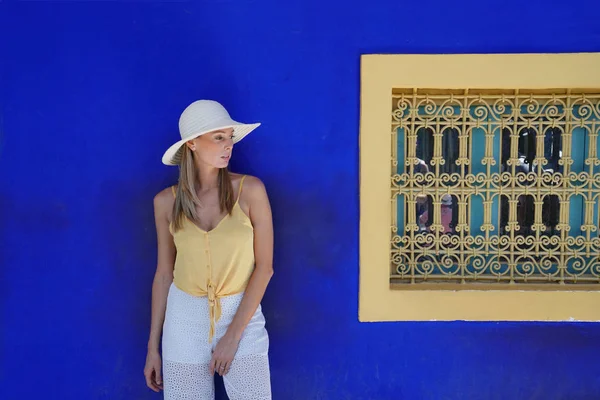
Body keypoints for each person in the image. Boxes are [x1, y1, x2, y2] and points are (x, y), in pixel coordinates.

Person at [144, 100, 274, 399]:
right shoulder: (166, 202)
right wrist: (153, 347)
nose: (229, 145)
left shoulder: (251, 191)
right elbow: (164, 274)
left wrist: (232, 336)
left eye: (230, 136)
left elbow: (265, 268)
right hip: (183, 318)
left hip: (241, 314)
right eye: (219, 137)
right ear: (192, 144)